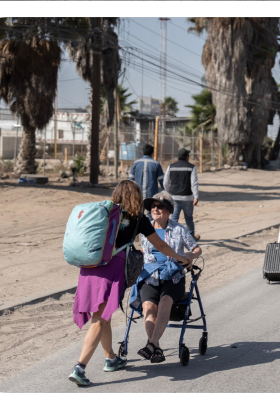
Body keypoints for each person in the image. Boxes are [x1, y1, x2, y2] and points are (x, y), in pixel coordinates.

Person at [68, 180, 189, 387]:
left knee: (103, 315)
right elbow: (159, 244)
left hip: (88, 268)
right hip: (111, 269)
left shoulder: (106, 211)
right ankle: (79, 367)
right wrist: (180, 257)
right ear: (137, 197)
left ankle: (111, 358)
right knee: (99, 317)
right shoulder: (137, 218)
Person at [136, 194, 202, 363]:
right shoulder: (145, 228)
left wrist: (189, 255)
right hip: (150, 276)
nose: (155, 209)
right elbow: (143, 251)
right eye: (152, 206)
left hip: (173, 277)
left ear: (168, 211)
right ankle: (155, 347)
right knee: (149, 307)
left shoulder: (178, 229)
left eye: (160, 206)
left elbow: (197, 249)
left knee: (165, 302)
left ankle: (151, 345)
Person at [165, 148, 200, 238]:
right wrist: (196, 196)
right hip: (188, 198)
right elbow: (194, 183)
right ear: (186, 157)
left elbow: (165, 182)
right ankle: (191, 239)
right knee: (188, 219)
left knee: (174, 219)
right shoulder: (191, 167)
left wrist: (169, 192)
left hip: (174, 198)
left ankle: (172, 238)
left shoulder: (171, 166)